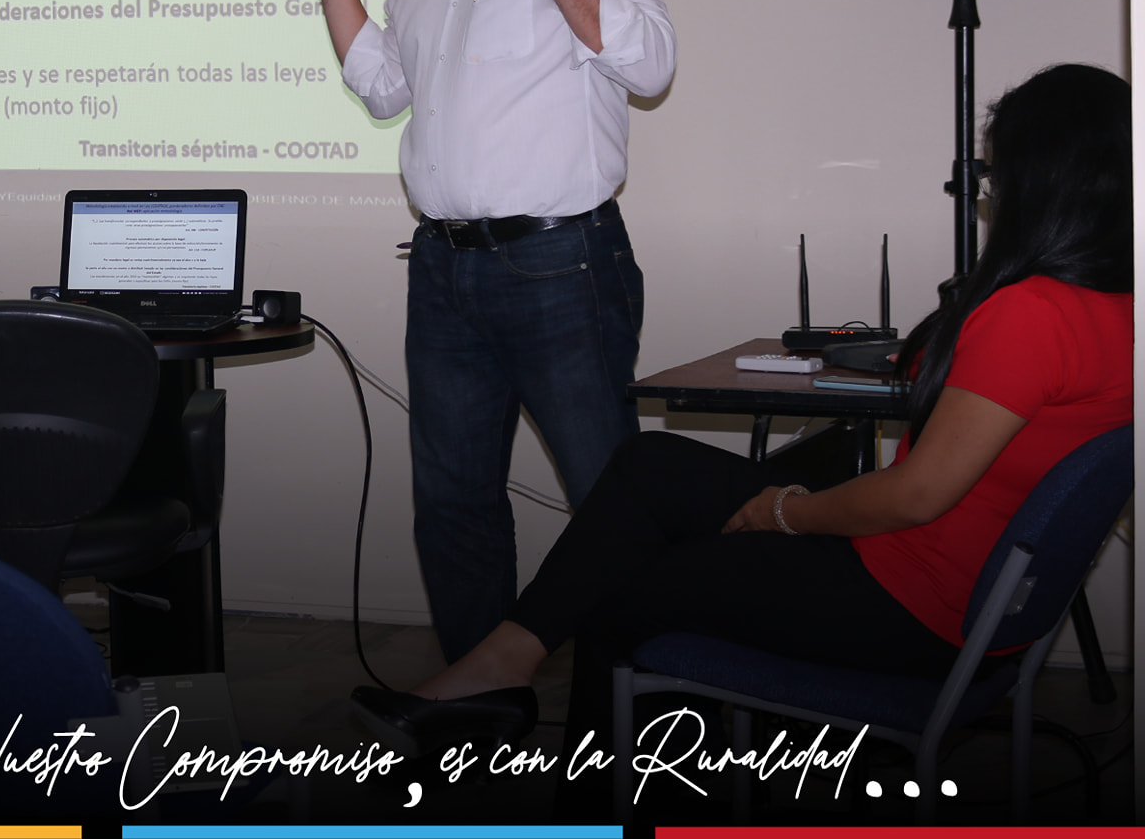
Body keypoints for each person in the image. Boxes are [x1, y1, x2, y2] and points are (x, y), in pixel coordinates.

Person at [350, 64, 1134, 807]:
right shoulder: (1117, 308)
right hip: (964, 597)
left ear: (1044, 183)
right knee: (649, 465)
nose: (991, 195)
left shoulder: (1032, 312)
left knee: (624, 594)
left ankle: (619, 803)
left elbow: (915, 494)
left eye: (996, 176)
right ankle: (505, 662)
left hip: (909, 601)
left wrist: (784, 511)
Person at [314, 0, 676, 660]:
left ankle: (638, 708)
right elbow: (386, 88)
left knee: (608, 497)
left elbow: (650, 63)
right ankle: (478, 712)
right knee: (452, 501)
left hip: (559, 263)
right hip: (443, 266)